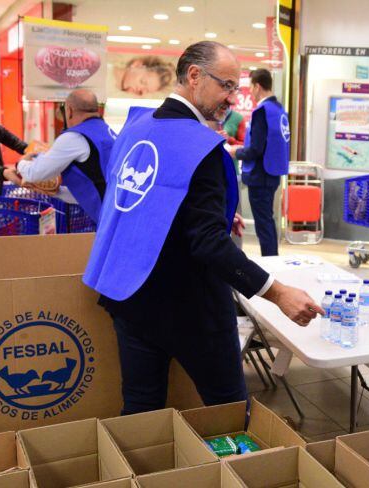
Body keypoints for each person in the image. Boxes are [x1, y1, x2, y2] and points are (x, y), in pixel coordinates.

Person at [83, 41, 320, 414]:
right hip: (189, 307)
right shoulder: (200, 146)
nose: (232, 98)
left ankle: (139, 473)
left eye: (236, 88)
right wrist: (279, 294)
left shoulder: (136, 127)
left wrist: (214, 214)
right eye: (226, 85)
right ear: (194, 75)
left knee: (141, 409)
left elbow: (138, 200)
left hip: (129, 297)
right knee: (228, 411)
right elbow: (209, 244)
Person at [17, 89, 114, 224]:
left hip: (109, 218)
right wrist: (57, 192)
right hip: (118, 211)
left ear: (69, 110)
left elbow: (35, 173)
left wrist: (21, 164)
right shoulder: (107, 131)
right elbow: (95, 184)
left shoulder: (74, 137)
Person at [229, 69, 291, 257]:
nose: (251, 93)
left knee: (263, 224)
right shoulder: (279, 110)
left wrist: (234, 151)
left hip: (259, 174)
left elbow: (255, 149)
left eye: (251, 88)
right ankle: (272, 258)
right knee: (268, 221)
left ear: (257, 86)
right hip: (272, 173)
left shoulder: (261, 112)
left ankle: (270, 262)